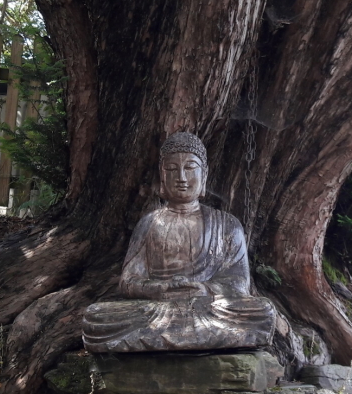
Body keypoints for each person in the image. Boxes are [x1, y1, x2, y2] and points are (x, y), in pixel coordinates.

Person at [82, 132, 276, 352]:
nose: (181, 177)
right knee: (96, 316)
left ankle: (167, 338)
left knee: (262, 311)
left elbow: (239, 284)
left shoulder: (227, 224)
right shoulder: (149, 223)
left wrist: (202, 288)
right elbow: (128, 282)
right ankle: (192, 336)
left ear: (204, 174)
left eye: (190, 167)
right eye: (172, 169)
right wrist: (161, 288)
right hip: (157, 309)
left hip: (208, 306)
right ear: (162, 176)